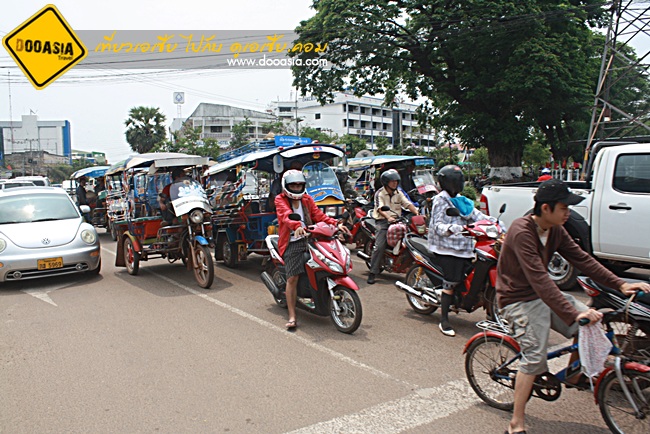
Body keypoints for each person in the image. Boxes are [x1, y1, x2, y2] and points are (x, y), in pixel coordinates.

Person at [496, 178, 650, 434]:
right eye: (564, 208)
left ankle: (573, 374)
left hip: (544, 294)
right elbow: (540, 279)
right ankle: (516, 423)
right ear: (546, 208)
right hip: (517, 299)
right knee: (534, 358)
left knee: (588, 328)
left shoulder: (556, 229)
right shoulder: (522, 230)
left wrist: (620, 284)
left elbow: (583, 260)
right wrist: (575, 313)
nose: (569, 212)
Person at [275, 169, 350, 329]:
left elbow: (319, 215)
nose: (296, 188)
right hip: (292, 242)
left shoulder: (307, 199)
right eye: (293, 185)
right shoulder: (280, 200)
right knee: (292, 278)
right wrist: (297, 226)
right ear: (286, 186)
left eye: (299, 185)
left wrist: (336, 223)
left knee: (325, 263)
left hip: (310, 238)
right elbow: (286, 215)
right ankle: (292, 316)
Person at [427, 164, 496, 336]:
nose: (459, 183)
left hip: (464, 246)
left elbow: (476, 215)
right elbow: (438, 225)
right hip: (446, 247)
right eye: (456, 180)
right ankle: (444, 320)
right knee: (452, 280)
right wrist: (452, 229)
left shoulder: (461, 199)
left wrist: (495, 223)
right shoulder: (440, 200)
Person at [367, 169, 419, 285]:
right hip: (383, 222)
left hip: (398, 221)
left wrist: (417, 212)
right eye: (392, 181)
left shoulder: (398, 193)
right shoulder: (379, 193)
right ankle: (373, 272)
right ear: (386, 182)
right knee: (379, 246)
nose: (395, 183)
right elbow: (380, 208)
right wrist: (388, 217)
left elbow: (407, 204)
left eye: (396, 181)